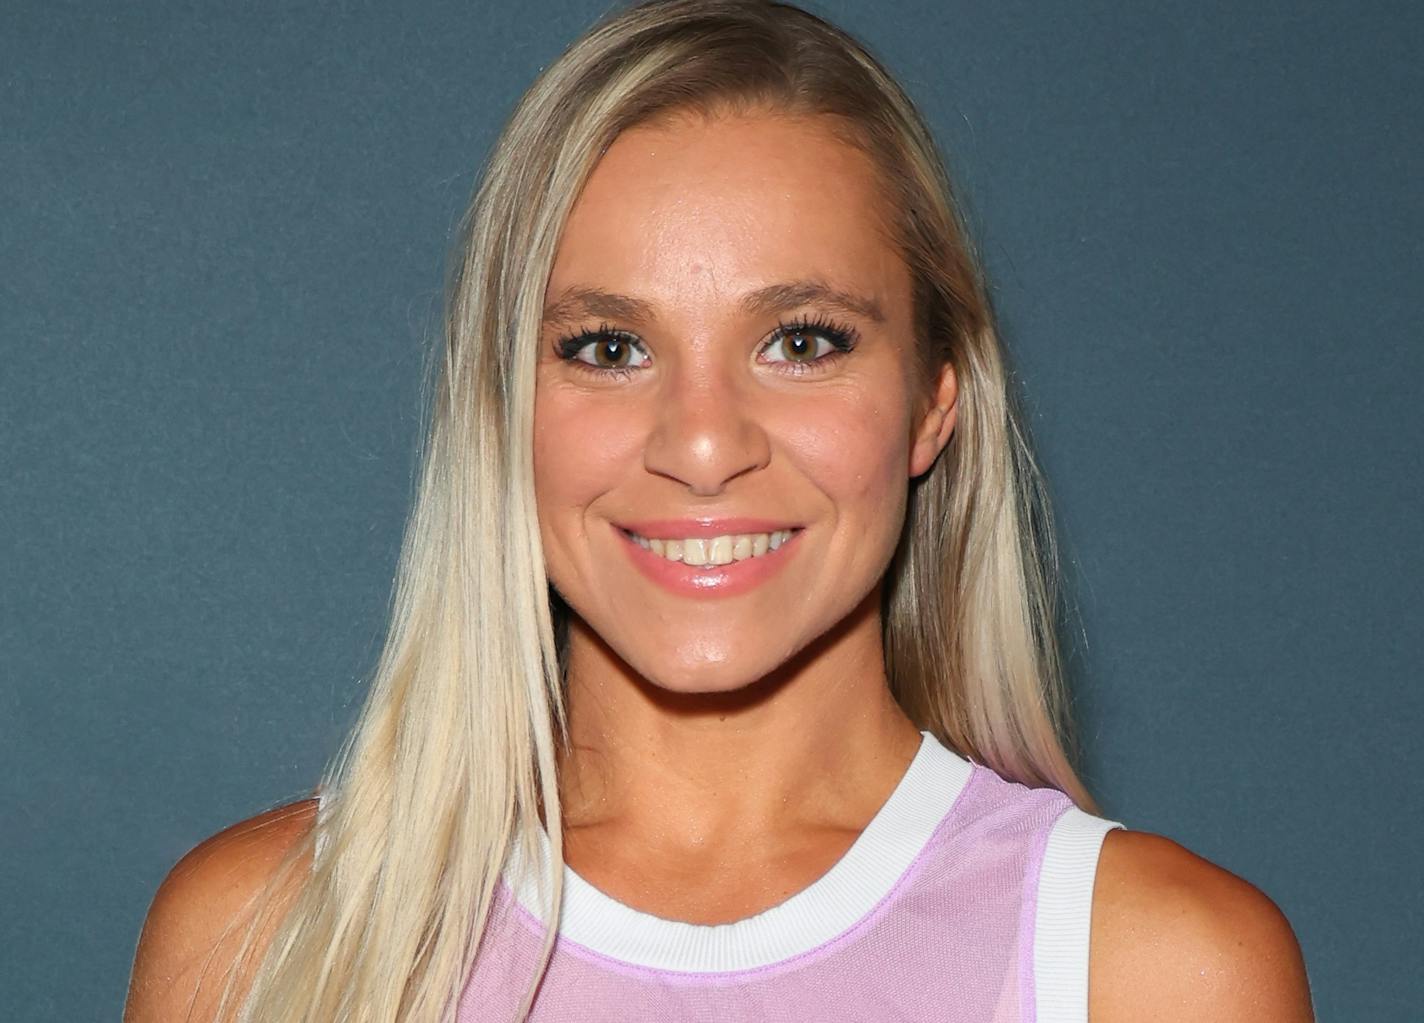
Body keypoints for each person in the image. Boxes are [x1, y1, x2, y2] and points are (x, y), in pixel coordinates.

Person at [124, 1, 1314, 1020]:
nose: (701, 445)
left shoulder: (1154, 971)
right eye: (607, 345)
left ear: (931, 405)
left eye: (801, 342)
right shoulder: (260, 940)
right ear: (497, 411)